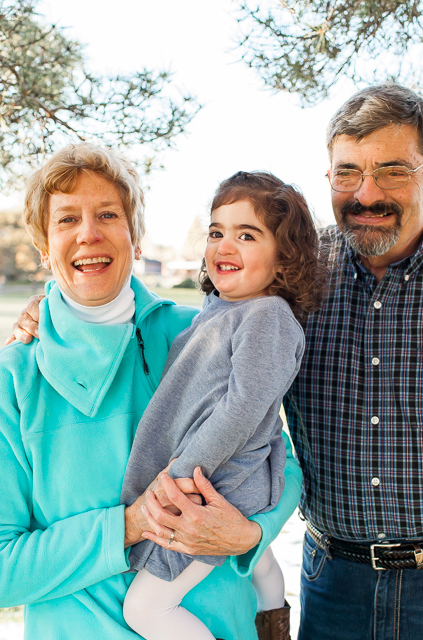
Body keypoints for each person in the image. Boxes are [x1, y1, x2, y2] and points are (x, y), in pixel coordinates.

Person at [10, 84, 423, 640]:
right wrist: (55, 308)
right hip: (335, 587)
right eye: (348, 172)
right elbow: (209, 332)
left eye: (393, 171)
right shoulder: (297, 274)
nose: (366, 193)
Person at [0, 143, 301, 640]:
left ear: (135, 236)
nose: (89, 233)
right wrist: (130, 526)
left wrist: (249, 534)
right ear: (43, 246)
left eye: (108, 214)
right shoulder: (10, 380)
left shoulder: (199, 333)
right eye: (66, 220)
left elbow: (279, 460)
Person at [120, 171, 324, 640]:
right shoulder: (218, 309)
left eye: (246, 235)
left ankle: (272, 618)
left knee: (146, 609)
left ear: (284, 257)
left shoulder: (268, 315)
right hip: (216, 479)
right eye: (216, 232)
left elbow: (242, 407)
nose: (224, 245)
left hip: (212, 487)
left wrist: (179, 477)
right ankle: (272, 621)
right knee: (262, 568)